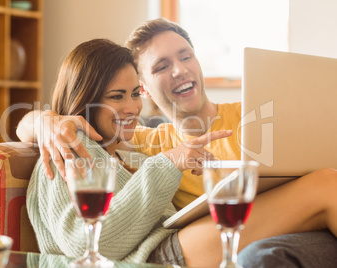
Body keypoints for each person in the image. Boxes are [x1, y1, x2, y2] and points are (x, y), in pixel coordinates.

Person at [18, 19, 337, 267]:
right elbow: (88, 242)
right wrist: (45, 120)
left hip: (175, 241)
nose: (131, 108)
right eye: (118, 96)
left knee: (325, 183)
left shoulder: (131, 148)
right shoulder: (68, 147)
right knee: (326, 185)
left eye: (186, 56)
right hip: (155, 254)